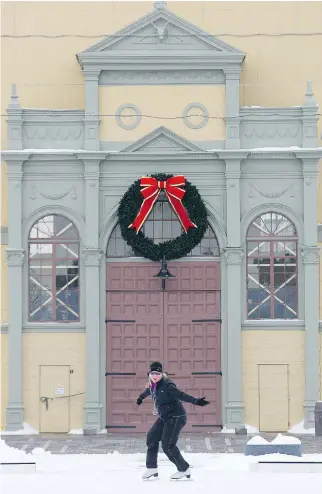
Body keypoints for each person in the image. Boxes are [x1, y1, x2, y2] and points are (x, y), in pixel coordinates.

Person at [136, 361, 210, 481]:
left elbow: (181, 395)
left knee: (168, 445)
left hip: (176, 417)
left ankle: (184, 469)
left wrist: (196, 401)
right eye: (152, 373)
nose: (155, 376)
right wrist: (140, 397)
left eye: (157, 373)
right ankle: (151, 468)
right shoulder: (152, 385)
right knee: (152, 438)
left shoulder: (168, 385)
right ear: (149, 374)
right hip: (164, 417)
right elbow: (148, 391)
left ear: (162, 374)